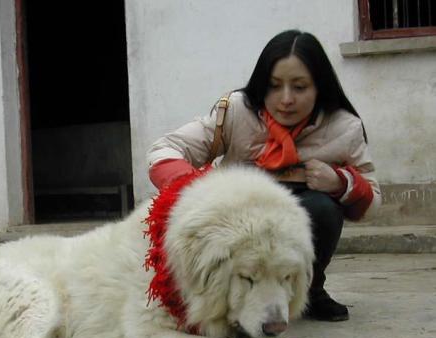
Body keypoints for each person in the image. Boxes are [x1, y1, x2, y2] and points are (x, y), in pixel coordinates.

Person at [146, 30, 381, 322]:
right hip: (238, 217)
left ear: (319, 87)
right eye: (274, 86)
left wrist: (341, 182)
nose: (286, 99)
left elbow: (372, 202)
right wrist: (200, 189)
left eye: (299, 87)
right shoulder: (236, 111)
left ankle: (309, 290)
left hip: (303, 210)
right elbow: (164, 149)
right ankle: (224, 295)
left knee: (323, 209)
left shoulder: (344, 127)